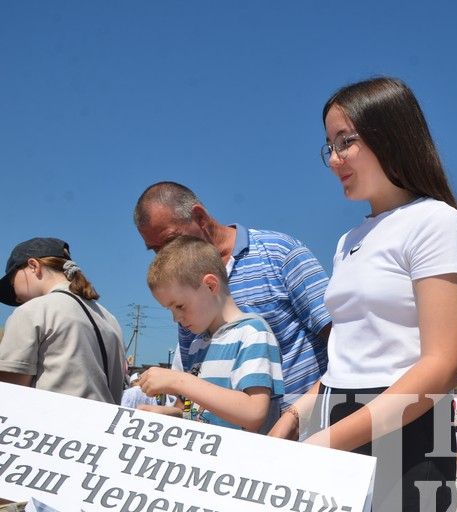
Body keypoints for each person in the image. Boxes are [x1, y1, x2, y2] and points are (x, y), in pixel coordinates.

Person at [269, 77, 457, 512]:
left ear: (390, 135)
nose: (334, 159)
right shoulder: (347, 240)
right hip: (336, 424)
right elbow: (351, 355)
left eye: (346, 142)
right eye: (329, 146)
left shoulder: (435, 221)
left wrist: (328, 440)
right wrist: (294, 418)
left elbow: (442, 364)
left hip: (406, 431)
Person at [133, 181, 331, 415]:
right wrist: (175, 414)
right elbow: (194, 383)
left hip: (305, 436)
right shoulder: (183, 296)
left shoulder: (279, 252)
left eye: (169, 241)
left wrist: (296, 419)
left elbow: (341, 341)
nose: (165, 254)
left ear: (200, 217)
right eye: (154, 249)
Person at [137, 236, 284, 432]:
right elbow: (200, 414)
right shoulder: (199, 343)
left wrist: (178, 381)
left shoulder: (252, 333)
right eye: (170, 310)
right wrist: (172, 416)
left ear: (210, 286)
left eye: (179, 306)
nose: (176, 318)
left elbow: (253, 412)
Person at [0, 237, 127, 402]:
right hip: (101, 425)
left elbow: (10, 393)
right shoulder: (110, 319)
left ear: (33, 266)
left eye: (12, 281)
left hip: (50, 424)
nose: (16, 298)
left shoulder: (32, 311)